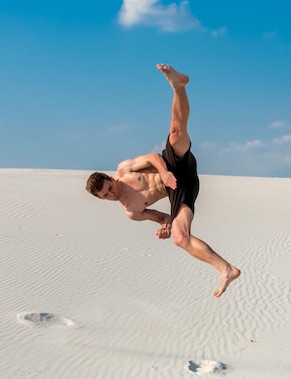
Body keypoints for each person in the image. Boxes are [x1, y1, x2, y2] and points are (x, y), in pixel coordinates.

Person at [85, 64, 240, 297]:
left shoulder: (124, 169)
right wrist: (165, 226)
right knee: (180, 238)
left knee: (176, 131)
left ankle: (178, 85)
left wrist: (165, 173)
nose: (111, 195)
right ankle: (226, 269)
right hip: (182, 189)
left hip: (172, 165)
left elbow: (153, 157)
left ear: (110, 178)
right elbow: (162, 217)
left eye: (109, 188)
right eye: (105, 196)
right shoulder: (132, 211)